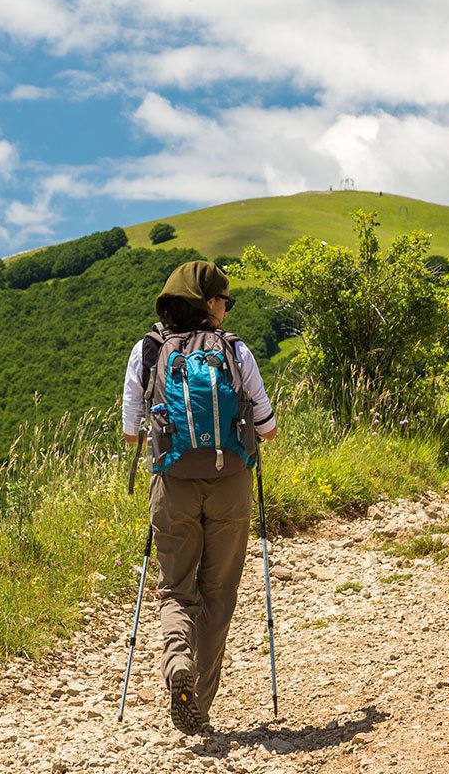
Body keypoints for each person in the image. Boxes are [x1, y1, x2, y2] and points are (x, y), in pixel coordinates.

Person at [120, 260, 278, 735]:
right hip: (230, 484)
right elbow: (267, 429)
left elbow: (132, 434)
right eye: (224, 300)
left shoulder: (147, 351)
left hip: (172, 486)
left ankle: (176, 665)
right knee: (219, 593)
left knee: (176, 590)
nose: (227, 309)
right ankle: (200, 704)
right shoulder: (235, 350)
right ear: (207, 303)